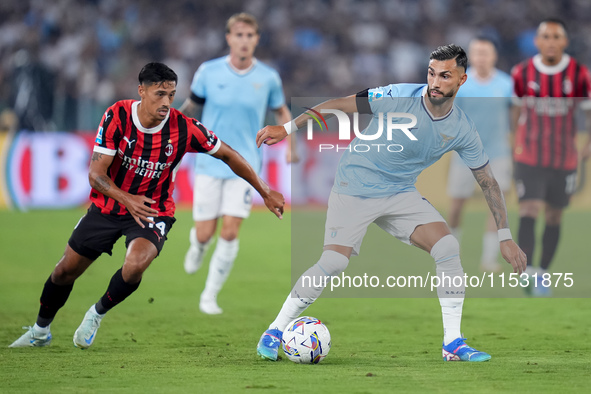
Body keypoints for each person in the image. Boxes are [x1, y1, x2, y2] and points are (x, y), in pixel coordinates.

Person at [255, 45, 526, 362]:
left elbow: (488, 181)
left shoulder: (461, 128)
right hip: (354, 185)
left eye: (445, 75)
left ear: (462, 80)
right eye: (431, 73)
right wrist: (285, 129)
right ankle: (274, 330)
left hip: (399, 192)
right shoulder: (398, 95)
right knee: (334, 263)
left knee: (448, 248)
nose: (435, 82)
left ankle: (452, 343)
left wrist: (505, 236)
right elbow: (338, 105)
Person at [9, 62, 284, 349]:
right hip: (109, 207)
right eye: (159, 94)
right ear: (142, 91)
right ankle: (40, 331)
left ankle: (96, 314)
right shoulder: (117, 116)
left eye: (171, 94)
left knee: (136, 265)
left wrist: (264, 191)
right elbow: (95, 175)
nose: (166, 102)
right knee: (65, 271)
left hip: (154, 209)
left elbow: (228, 155)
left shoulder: (184, 127)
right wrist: (128, 200)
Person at [179, 13, 295, 315]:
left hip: (245, 166)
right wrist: (171, 126)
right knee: (205, 233)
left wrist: (290, 143)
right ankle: (198, 245)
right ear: (229, 38)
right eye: (239, 35)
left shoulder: (267, 77)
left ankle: (209, 296)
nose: (244, 41)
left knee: (230, 231)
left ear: (256, 39)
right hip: (209, 160)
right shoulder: (208, 71)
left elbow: (281, 112)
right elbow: (192, 105)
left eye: (250, 36)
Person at [511, 18, 591, 296]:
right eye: (546, 36)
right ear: (537, 41)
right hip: (529, 154)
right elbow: (514, 111)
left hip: (564, 157)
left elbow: (588, 111)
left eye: (557, 36)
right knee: (528, 210)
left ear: (564, 42)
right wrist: (513, 141)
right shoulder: (521, 73)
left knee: (555, 216)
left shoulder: (580, 74)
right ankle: (528, 271)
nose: (551, 41)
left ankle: (542, 272)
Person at [446, 37, 513, 272]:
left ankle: (488, 260)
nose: (482, 57)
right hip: (465, 153)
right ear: (470, 57)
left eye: (486, 52)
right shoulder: (460, 83)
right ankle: (451, 255)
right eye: (477, 53)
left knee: (496, 207)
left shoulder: (506, 84)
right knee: (456, 206)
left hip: (497, 153)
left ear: (493, 56)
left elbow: (514, 115)